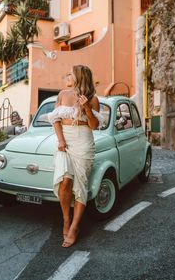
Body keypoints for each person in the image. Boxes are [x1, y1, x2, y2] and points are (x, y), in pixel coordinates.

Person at [48, 65, 104, 248]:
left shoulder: (93, 99)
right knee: (65, 181)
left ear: (80, 77)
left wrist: (87, 107)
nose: (67, 76)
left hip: (84, 142)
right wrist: (61, 140)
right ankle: (66, 219)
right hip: (66, 141)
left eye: (70, 74)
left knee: (80, 185)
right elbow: (55, 119)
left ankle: (74, 227)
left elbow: (94, 126)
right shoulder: (63, 94)